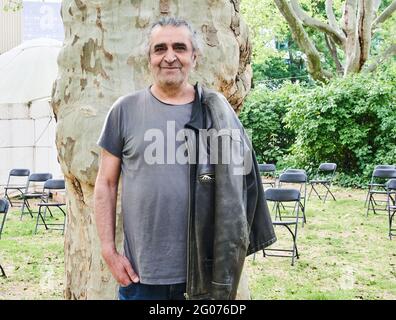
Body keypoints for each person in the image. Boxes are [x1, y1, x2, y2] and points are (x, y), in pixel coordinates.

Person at [94, 17, 276, 300]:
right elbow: (105, 183)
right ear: (149, 57)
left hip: (202, 275)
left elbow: (242, 184)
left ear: (194, 56)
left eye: (179, 47)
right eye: (159, 48)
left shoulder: (217, 113)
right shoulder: (123, 111)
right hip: (140, 276)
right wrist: (108, 249)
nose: (169, 57)